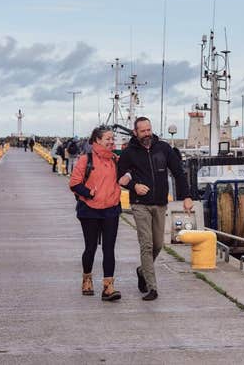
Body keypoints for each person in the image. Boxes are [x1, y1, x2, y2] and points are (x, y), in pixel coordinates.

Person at [117, 117, 192, 301]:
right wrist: (134, 186)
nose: (147, 134)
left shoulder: (163, 148)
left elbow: (178, 172)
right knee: (147, 245)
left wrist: (187, 196)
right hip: (139, 204)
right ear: (135, 132)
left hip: (160, 204)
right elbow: (119, 176)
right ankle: (152, 288)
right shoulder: (129, 152)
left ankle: (143, 271)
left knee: (158, 244)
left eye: (149, 130)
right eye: (143, 131)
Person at [69, 126, 122, 301]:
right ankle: (87, 279)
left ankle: (108, 287)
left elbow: (126, 176)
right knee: (90, 247)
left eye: (112, 138)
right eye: (108, 138)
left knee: (109, 249)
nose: (111, 141)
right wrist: (89, 193)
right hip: (89, 211)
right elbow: (74, 183)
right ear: (97, 140)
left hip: (111, 209)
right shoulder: (86, 159)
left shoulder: (115, 160)